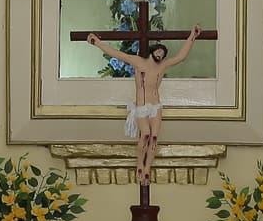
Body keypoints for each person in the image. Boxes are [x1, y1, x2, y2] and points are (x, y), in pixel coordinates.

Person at [86, 26, 200, 185]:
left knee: (153, 138)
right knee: (145, 134)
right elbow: (117, 54)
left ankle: (147, 167)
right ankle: (140, 163)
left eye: (163, 53)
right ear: (153, 50)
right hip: (141, 106)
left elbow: (181, 57)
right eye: (159, 51)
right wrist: (97, 43)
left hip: (155, 106)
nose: (160, 54)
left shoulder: (163, 66)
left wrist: (192, 36)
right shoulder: (138, 62)